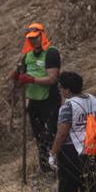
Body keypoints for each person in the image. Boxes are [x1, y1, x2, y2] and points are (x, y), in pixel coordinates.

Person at [49, 70, 96, 192]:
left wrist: (53, 153)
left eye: (61, 88)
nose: (60, 91)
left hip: (73, 151)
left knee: (68, 187)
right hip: (95, 148)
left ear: (67, 89)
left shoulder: (69, 106)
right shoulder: (94, 100)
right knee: (90, 186)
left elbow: (62, 133)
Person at [9, 22, 61, 173]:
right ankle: (45, 169)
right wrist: (16, 76)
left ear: (42, 35)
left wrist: (32, 80)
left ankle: (56, 168)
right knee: (39, 137)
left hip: (49, 100)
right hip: (33, 101)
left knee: (50, 134)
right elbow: (18, 76)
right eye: (31, 38)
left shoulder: (51, 53)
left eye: (36, 37)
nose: (34, 41)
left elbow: (52, 78)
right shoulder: (27, 56)